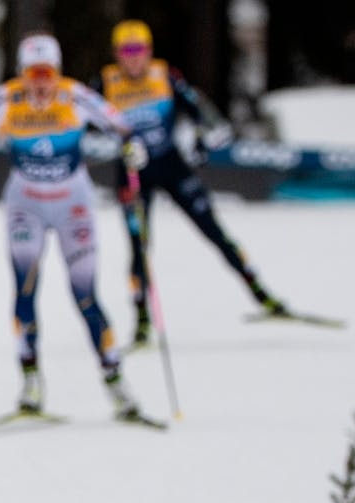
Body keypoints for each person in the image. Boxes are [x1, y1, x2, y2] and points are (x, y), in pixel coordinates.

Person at [0, 33, 150, 421]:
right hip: (25, 205)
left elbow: (121, 125)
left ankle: (116, 383)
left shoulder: (74, 96)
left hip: (72, 206)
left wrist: (131, 146)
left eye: (47, 73)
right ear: (23, 73)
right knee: (25, 289)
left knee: (85, 294)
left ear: (57, 72)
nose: (40, 82)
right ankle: (30, 383)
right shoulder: (4, 99)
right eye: (33, 73)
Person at [90, 20, 291, 346]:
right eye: (127, 51)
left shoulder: (164, 76)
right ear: (117, 54)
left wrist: (202, 137)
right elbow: (82, 120)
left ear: (149, 50)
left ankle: (261, 293)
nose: (134, 58)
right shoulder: (105, 83)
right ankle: (142, 320)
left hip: (171, 164)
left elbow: (199, 111)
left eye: (139, 49)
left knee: (214, 230)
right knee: (139, 245)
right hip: (132, 172)